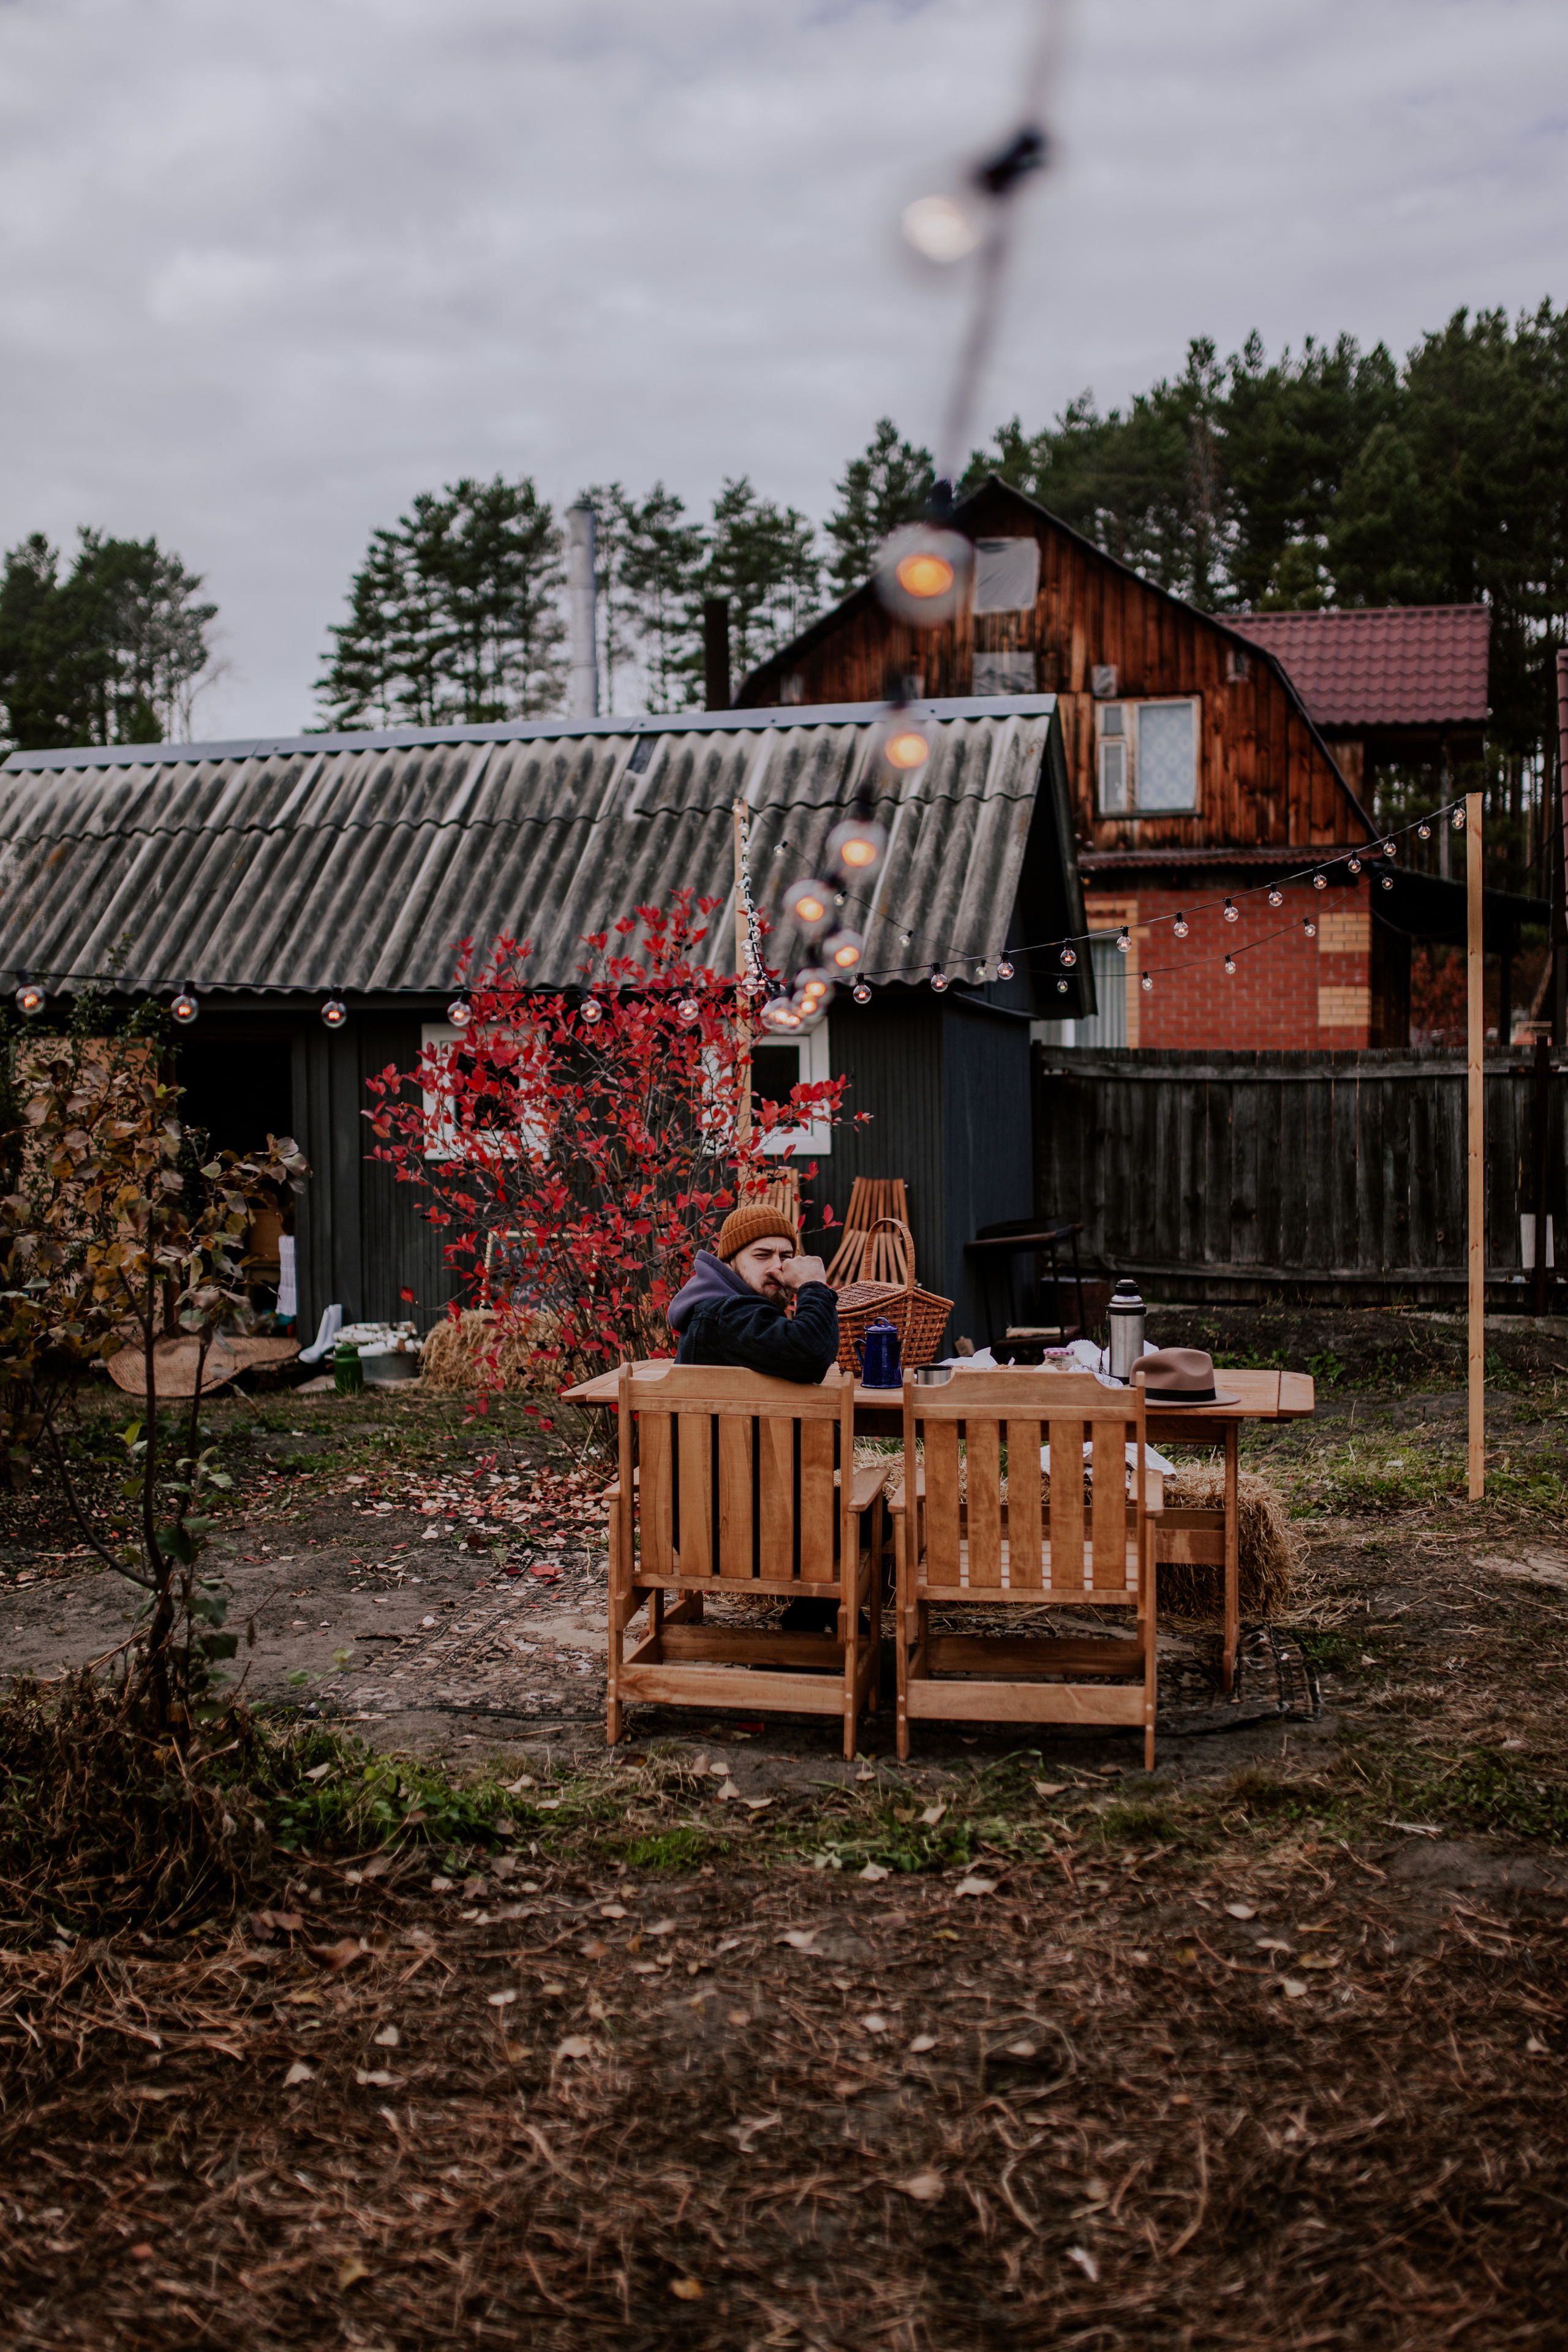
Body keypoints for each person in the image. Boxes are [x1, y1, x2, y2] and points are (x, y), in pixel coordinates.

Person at [666, 1202, 839, 1381]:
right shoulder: (724, 1313)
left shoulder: (733, 1309)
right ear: (729, 1262)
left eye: (786, 1257)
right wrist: (812, 1285)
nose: (778, 1266)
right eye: (762, 1255)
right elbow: (811, 1354)